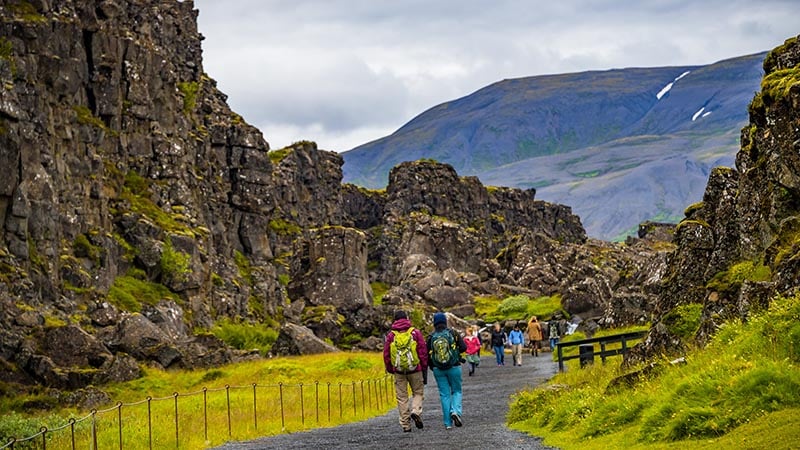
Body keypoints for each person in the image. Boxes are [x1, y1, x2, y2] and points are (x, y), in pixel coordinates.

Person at [384, 310, 428, 432]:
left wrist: (391, 369)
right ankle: (416, 411)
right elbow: (422, 351)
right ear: (407, 318)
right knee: (418, 393)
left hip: (398, 371)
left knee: (402, 397)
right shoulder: (415, 333)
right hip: (415, 369)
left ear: (395, 320)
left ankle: (405, 425)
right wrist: (423, 366)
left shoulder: (391, 335)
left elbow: (386, 354)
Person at [426, 312, 467, 429]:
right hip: (454, 366)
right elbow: (464, 347)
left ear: (434, 323)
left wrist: (432, 366)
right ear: (445, 322)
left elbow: (426, 354)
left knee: (444, 395)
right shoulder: (453, 333)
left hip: (438, 369)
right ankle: (455, 412)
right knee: (456, 391)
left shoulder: (430, 337)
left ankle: (448, 423)